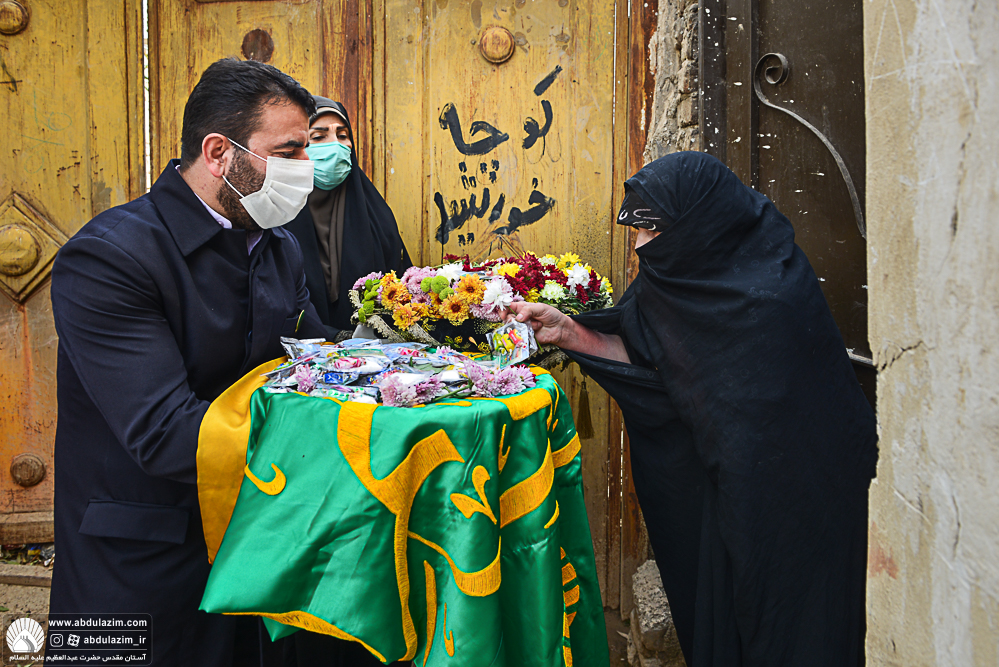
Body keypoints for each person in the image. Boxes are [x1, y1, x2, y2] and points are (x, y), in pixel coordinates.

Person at [508, 151, 878, 667]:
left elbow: (774, 421)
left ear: (700, 222)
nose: (640, 245)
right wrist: (568, 331)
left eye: (653, 229)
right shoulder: (670, 280)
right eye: (637, 230)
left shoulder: (773, 295)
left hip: (796, 509)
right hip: (716, 504)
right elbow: (650, 367)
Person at [49, 58, 326, 666]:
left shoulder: (277, 246)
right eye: (289, 152)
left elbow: (316, 355)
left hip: (257, 544)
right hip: (143, 563)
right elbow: (164, 433)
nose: (306, 168)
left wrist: (424, 347)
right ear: (219, 152)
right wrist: (350, 440)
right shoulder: (110, 258)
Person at [285, 95, 411, 341]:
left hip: (376, 354)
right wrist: (337, 337)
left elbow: (402, 293)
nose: (336, 145)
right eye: (318, 137)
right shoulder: (276, 215)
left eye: (342, 135)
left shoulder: (375, 214)